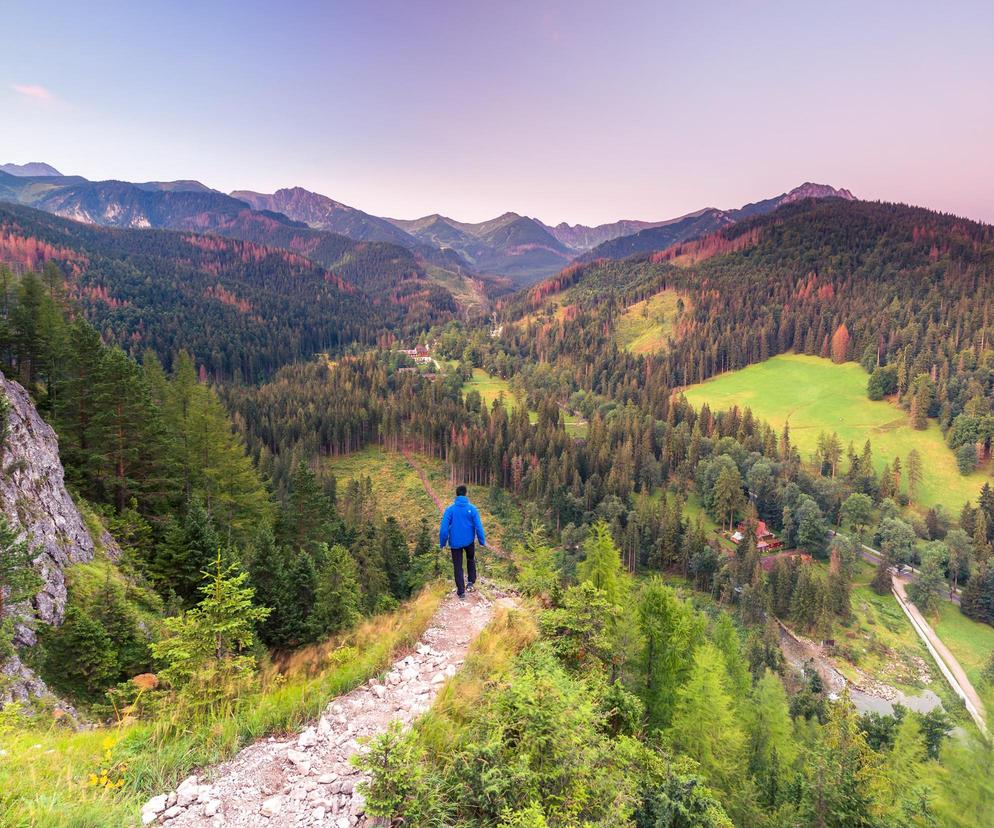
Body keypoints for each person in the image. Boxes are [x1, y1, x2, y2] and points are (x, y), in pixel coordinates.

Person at [439, 484, 486, 600]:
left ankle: (461, 592)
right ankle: (470, 582)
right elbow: (479, 526)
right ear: (466, 494)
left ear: (456, 494)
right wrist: (481, 541)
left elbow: (444, 529)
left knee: (457, 566)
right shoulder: (472, 509)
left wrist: (442, 543)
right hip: (469, 541)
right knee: (470, 559)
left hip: (455, 543)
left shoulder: (450, 510)